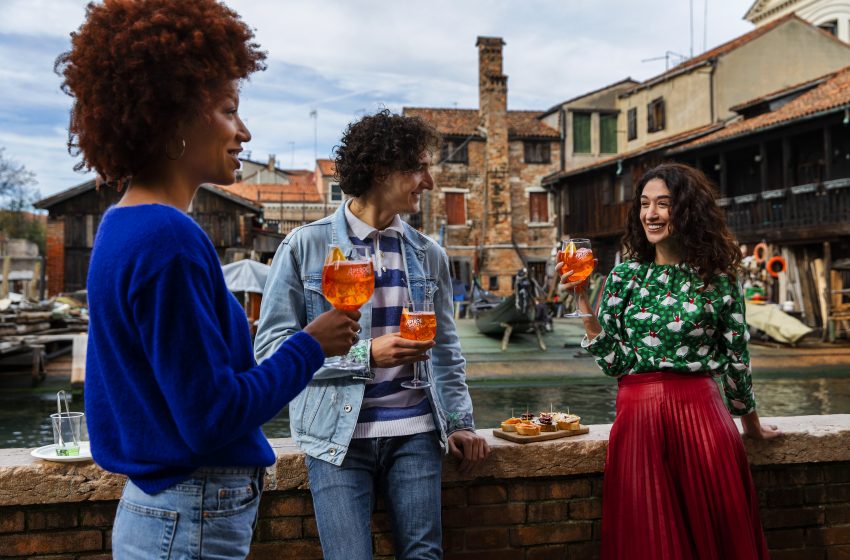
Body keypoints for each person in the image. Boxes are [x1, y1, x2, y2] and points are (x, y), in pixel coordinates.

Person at [57, 1, 361, 557]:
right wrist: (309, 346)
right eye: (228, 110)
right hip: (190, 516)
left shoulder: (120, 226)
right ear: (174, 115)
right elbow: (211, 416)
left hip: (161, 512)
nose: (243, 130)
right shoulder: (166, 238)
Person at [255, 110, 490, 560]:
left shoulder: (428, 253)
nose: (429, 182)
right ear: (382, 170)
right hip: (335, 436)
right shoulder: (304, 247)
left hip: (418, 432)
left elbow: (445, 351)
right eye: (419, 168)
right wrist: (366, 356)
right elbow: (271, 354)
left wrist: (460, 424)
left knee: (424, 556)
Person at [560, 163, 781, 560]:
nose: (651, 214)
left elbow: (736, 361)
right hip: (638, 424)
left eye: (663, 204)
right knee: (649, 541)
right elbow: (616, 364)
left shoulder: (719, 279)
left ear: (687, 210)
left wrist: (753, 427)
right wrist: (581, 302)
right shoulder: (623, 278)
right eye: (645, 204)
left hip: (703, 423)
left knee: (716, 540)